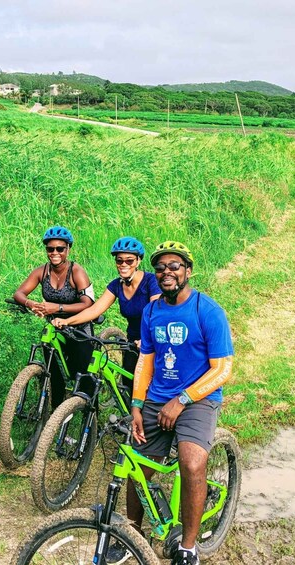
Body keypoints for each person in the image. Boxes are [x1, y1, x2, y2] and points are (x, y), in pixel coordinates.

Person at [124, 241, 234, 565]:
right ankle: (132, 534)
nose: (166, 272)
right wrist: (136, 404)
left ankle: (187, 546)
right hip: (157, 398)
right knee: (136, 465)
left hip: (198, 398)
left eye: (174, 266)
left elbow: (223, 368)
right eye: (160, 268)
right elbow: (146, 359)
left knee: (191, 463)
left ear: (188, 271)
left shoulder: (207, 310)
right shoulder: (152, 311)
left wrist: (182, 400)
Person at [52, 236, 160, 376]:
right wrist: (67, 321)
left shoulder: (151, 282)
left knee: (152, 384)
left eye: (129, 260)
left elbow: (156, 313)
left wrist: (147, 339)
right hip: (132, 341)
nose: (123, 264)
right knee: (129, 380)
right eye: (119, 260)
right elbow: (95, 310)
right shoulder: (116, 285)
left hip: (153, 338)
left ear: (138, 260)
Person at [13, 226, 96, 407]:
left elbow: (87, 303)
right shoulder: (42, 271)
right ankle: (54, 412)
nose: (55, 253)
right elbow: (19, 293)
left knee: (83, 375)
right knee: (53, 371)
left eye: (60, 249)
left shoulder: (77, 272)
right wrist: (31, 304)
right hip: (54, 328)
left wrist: (56, 308)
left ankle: (91, 417)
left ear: (68, 249)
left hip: (78, 327)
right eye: (50, 249)